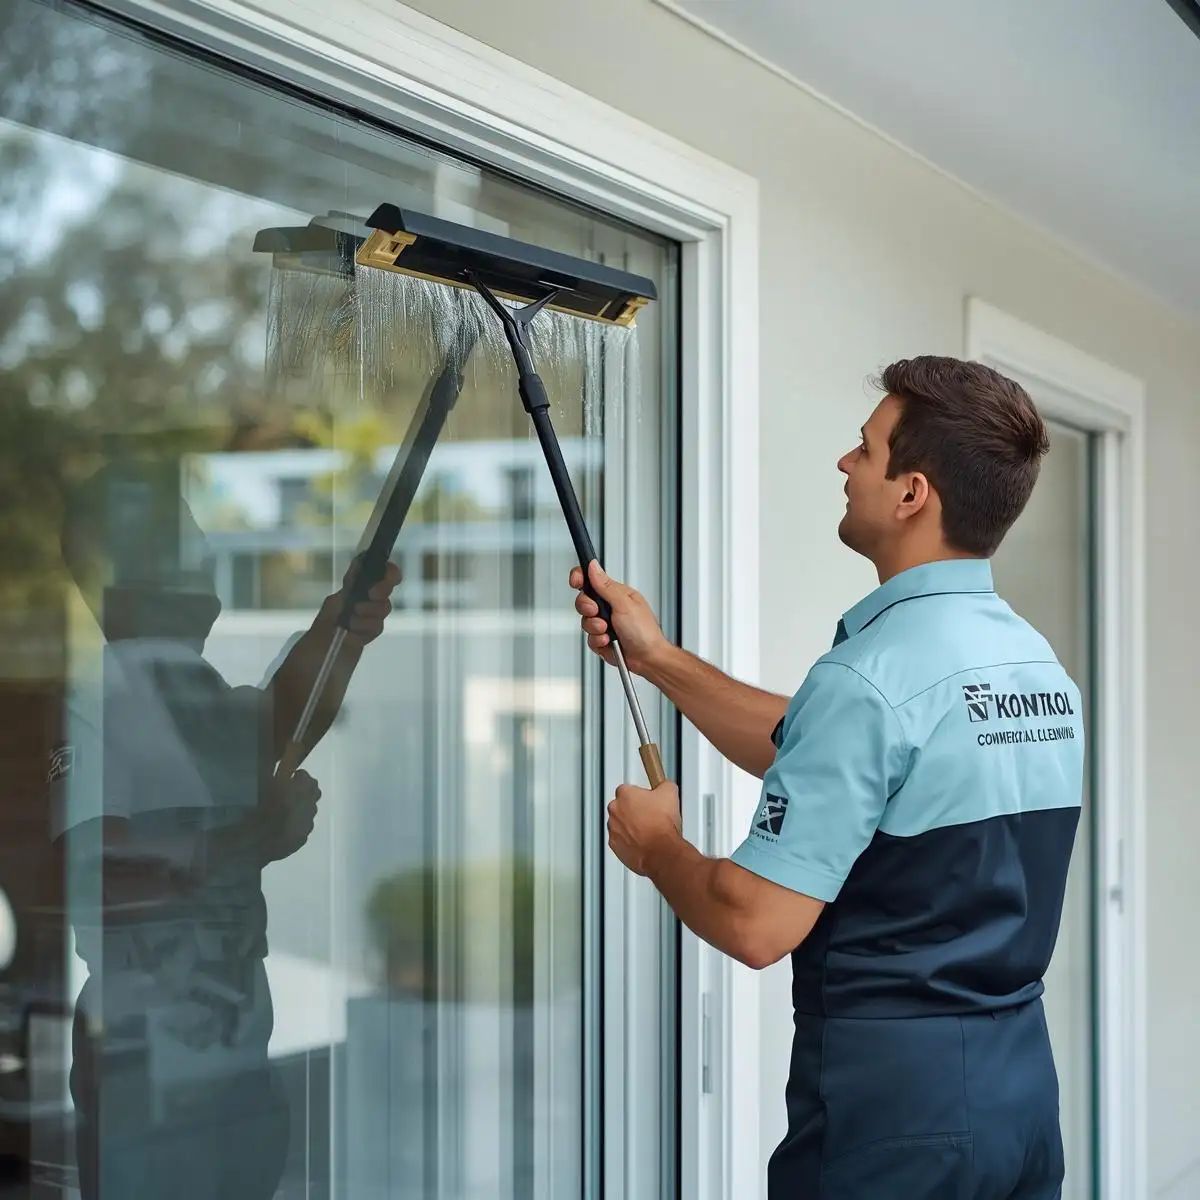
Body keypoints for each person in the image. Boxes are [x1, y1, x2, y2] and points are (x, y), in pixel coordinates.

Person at [571, 357, 1082, 1199]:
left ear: (912, 492)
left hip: (896, 1113)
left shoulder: (870, 679)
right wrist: (655, 657)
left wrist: (658, 846)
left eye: (865, 448)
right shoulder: (1034, 666)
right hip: (1019, 1089)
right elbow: (849, 768)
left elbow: (756, 924)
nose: (845, 465)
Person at [53, 460, 400, 1200]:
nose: (202, 544)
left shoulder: (188, 687)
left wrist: (340, 631)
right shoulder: (94, 696)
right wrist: (248, 843)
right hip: (145, 1077)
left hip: (231, 1068)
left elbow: (281, 719)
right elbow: (90, 877)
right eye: (176, 530)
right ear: (117, 568)